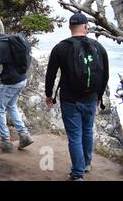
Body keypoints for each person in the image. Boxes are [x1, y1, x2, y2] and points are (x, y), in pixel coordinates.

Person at [45, 13, 109, 181]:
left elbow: (50, 74)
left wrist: (48, 95)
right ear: (86, 26)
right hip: (91, 98)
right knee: (87, 131)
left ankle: (77, 173)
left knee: (74, 136)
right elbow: (105, 75)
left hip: (70, 100)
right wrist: (99, 97)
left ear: (69, 27)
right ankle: (86, 164)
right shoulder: (98, 47)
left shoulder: (60, 48)